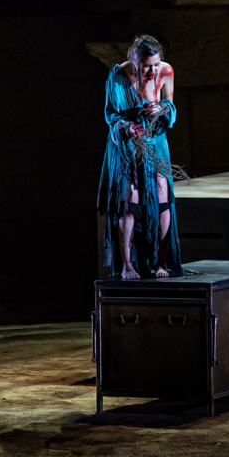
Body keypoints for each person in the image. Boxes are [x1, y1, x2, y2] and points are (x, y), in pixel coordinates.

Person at [97, 35, 183, 280]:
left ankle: (162, 263)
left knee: (162, 193)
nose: (153, 70)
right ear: (135, 61)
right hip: (127, 144)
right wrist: (127, 127)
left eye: (156, 64)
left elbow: (170, 106)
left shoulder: (165, 71)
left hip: (155, 142)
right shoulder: (118, 76)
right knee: (129, 201)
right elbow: (111, 115)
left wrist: (162, 108)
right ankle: (127, 265)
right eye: (147, 65)